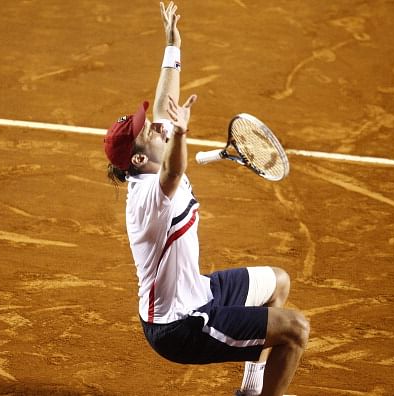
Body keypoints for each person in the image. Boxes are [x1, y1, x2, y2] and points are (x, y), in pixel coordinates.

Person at [103, 2, 309, 395]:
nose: (158, 127)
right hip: (178, 326)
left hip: (200, 293)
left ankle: (251, 389)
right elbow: (174, 173)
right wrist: (180, 136)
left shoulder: (147, 161)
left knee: (277, 283)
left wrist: (172, 46)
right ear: (141, 158)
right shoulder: (148, 195)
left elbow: (163, 104)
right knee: (295, 328)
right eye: (151, 132)